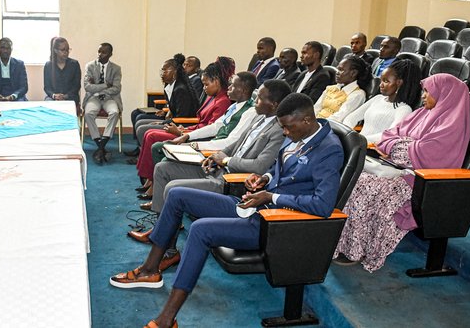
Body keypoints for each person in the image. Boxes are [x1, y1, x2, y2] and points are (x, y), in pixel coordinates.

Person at [110, 93, 344, 328]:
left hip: (274, 223)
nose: (284, 132)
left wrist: (272, 196)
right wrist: (263, 178)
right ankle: (150, 270)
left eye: (288, 128)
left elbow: (323, 205)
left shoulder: (329, 149)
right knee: (177, 195)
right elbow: (278, 168)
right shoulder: (297, 132)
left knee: (200, 230)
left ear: (306, 120)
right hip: (254, 205)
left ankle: (166, 319)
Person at [334, 74, 470, 272]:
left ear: (445, 94)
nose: (423, 96)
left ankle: (360, 249)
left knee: (369, 188)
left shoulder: (452, 125)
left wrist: (398, 146)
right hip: (397, 168)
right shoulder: (421, 113)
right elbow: (389, 136)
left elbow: (423, 153)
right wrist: (402, 145)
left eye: (428, 92)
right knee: (354, 178)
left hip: (423, 181)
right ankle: (343, 243)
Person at [131, 79, 288, 240]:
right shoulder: (259, 118)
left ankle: (164, 242)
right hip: (217, 168)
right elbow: (236, 144)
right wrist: (216, 156)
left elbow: (260, 166)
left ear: (274, 104)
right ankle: (160, 228)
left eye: (259, 98)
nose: (255, 101)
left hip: (230, 181)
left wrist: (225, 160)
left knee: (173, 188)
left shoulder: (279, 130)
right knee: (162, 169)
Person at [135, 72, 260, 205]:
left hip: (216, 152)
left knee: (167, 160)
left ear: (243, 90)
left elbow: (230, 142)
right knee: (166, 152)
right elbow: (214, 127)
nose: (228, 88)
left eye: (232, 86)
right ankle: (161, 199)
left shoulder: (249, 111)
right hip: (211, 146)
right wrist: (186, 136)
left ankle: (164, 200)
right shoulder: (233, 106)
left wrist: (194, 145)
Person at [135, 57, 234, 198]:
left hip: (199, 138)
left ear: (216, 82)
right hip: (192, 131)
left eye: (206, 85)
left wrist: (183, 132)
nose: (204, 88)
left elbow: (211, 129)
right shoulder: (213, 97)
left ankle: (153, 184)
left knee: (152, 136)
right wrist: (185, 129)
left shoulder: (223, 101)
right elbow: (201, 122)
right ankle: (150, 181)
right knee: (149, 132)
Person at [126, 54, 201, 160]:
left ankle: (146, 158)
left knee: (142, 129)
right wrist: (167, 115)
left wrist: (163, 123)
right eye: (161, 71)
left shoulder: (181, 89)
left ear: (174, 72)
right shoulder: (172, 86)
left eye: (164, 71)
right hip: (174, 121)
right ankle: (143, 156)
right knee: (140, 123)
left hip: (181, 126)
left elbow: (181, 117)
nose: (161, 74)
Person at [343, 59, 421, 143]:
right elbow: (351, 118)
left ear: (399, 83)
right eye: (381, 80)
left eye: (385, 81)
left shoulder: (404, 110)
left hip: (370, 147)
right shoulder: (377, 98)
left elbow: (389, 135)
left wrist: (359, 139)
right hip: (356, 143)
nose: (380, 85)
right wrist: (349, 134)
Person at [83, 42, 123, 165]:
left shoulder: (116, 68)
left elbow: (116, 88)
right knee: (88, 114)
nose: (100, 54)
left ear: (110, 54)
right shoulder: (90, 66)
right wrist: (106, 85)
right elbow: (87, 87)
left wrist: (98, 87)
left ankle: (101, 147)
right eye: (99, 51)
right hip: (93, 97)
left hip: (109, 98)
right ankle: (101, 147)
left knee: (114, 112)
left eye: (104, 52)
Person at [313, 55, 370, 122]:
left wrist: (316, 124)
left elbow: (338, 118)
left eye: (341, 70)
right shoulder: (330, 88)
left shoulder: (357, 94)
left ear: (353, 73)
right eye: (338, 69)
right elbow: (315, 109)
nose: (337, 73)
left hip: (328, 126)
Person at [0, 37, 29, 101]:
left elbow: (24, 87)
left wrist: (13, 96)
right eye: (3, 48)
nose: (5, 51)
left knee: (20, 106)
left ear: (11, 49)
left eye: (8, 48)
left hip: (16, 97)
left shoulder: (19, 64)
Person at [43, 37, 81, 107]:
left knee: (69, 106)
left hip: (70, 97)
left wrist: (66, 96)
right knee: (49, 107)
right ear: (55, 50)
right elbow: (47, 87)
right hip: (53, 97)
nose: (66, 53)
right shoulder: (48, 65)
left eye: (67, 50)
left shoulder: (74, 64)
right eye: (63, 50)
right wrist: (54, 95)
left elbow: (76, 86)